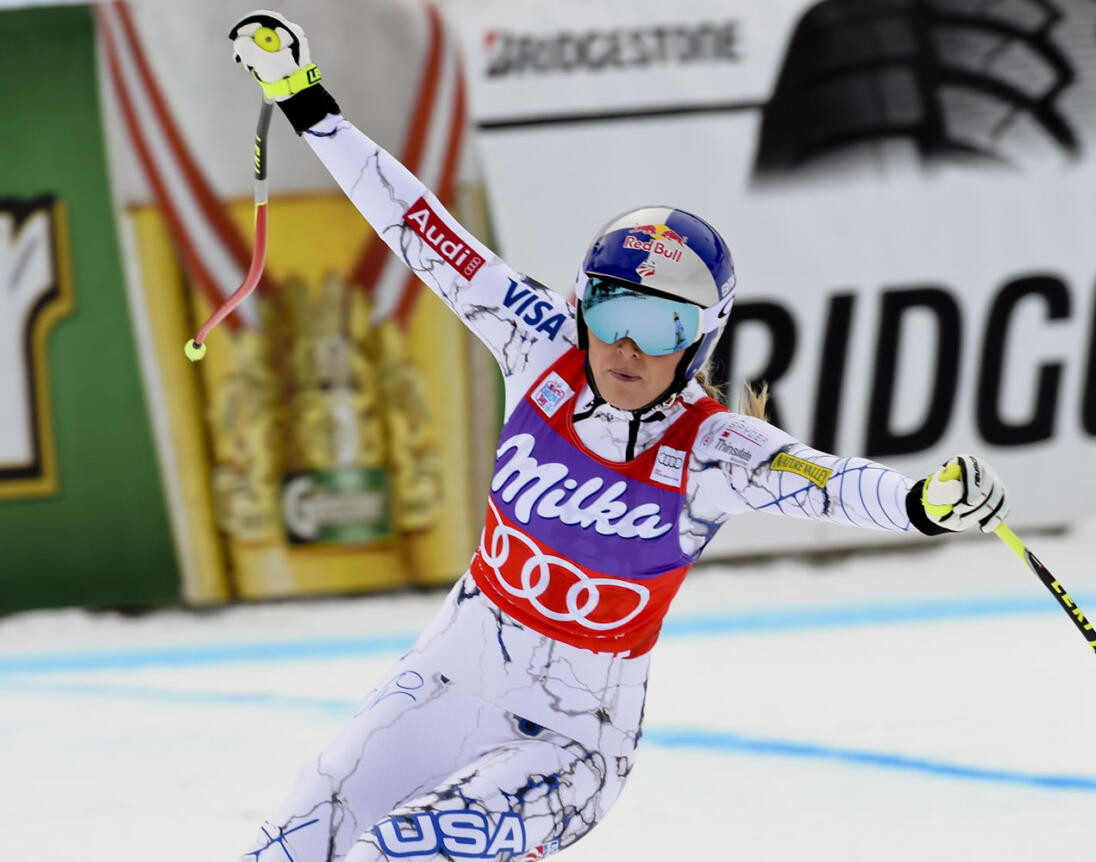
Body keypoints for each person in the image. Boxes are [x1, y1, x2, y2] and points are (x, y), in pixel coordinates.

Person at [229, 11, 1010, 862]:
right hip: (445, 688)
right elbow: (422, 231)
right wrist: (308, 104)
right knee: (284, 851)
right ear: (580, 304)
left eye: (664, 324)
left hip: (568, 750)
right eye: (613, 310)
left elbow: (828, 481)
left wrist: (926, 503)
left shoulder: (712, 451)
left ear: (702, 339)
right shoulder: (538, 347)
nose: (629, 345)